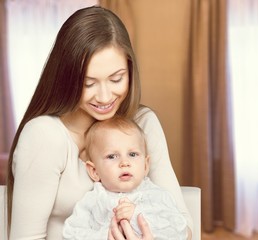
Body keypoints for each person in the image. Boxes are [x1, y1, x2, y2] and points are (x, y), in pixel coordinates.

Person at [6, 6, 193, 240]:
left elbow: (184, 227)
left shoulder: (144, 124)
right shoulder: (45, 136)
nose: (105, 97)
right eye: (88, 83)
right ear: (68, 78)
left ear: (130, 70)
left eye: (116, 79)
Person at [63, 116, 188, 239]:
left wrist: (136, 216)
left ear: (145, 165)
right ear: (94, 171)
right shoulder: (93, 200)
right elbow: (71, 234)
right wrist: (105, 236)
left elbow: (179, 231)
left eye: (132, 154)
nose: (125, 162)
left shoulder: (157, 196)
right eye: (112, 156)